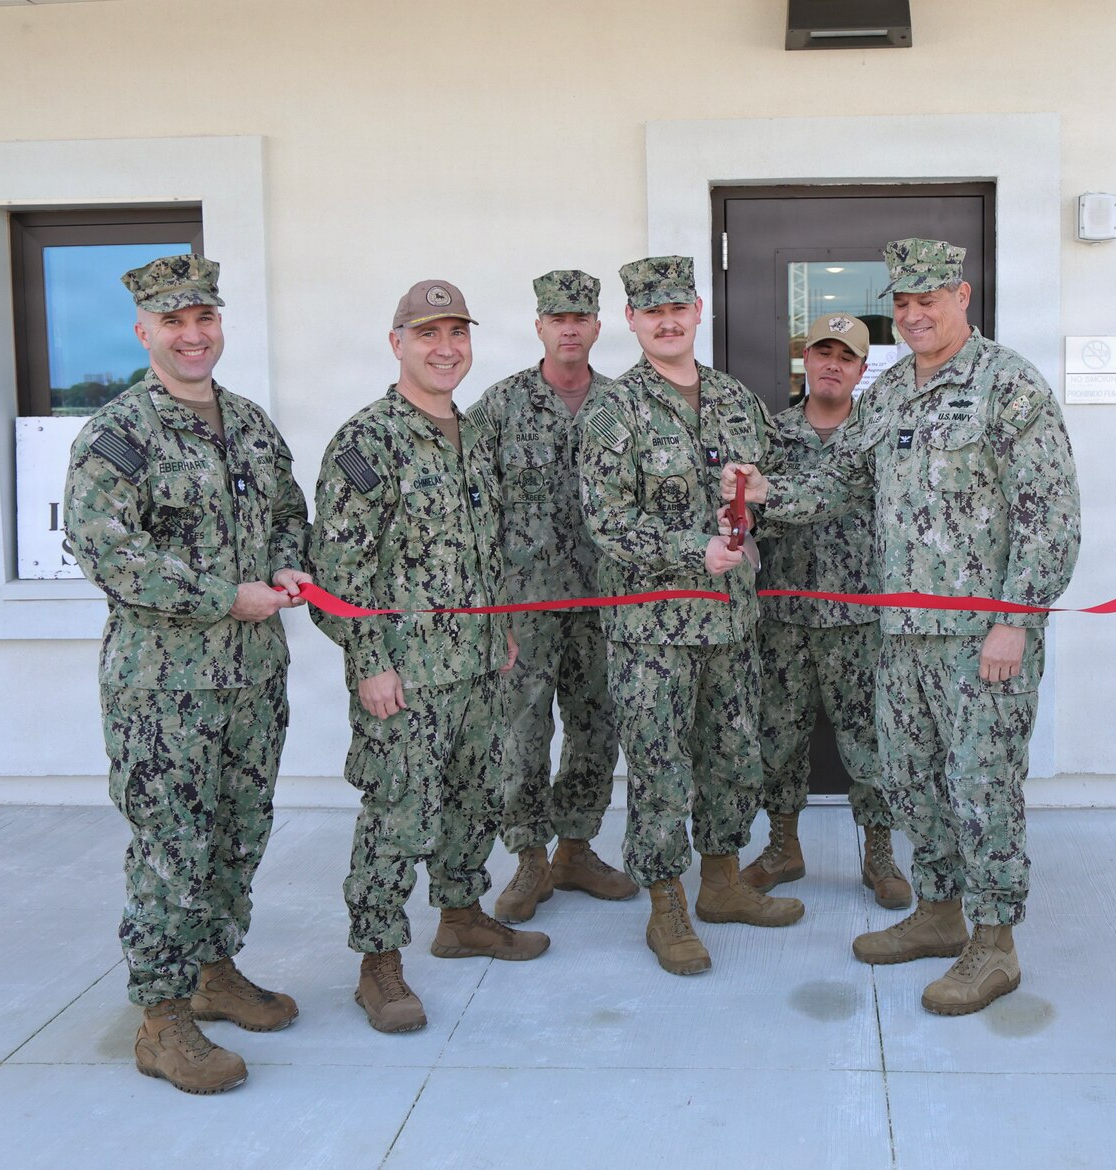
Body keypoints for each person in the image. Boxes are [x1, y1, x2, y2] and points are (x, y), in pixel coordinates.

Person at [723, 238, 1081, 1015]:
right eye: (904, 303)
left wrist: (1016, 620)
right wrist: (765, 492)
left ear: (961, 296)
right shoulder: (888, 394)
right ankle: (938, 912)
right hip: (900, 635)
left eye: (929, 299)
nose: (915, 315)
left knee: (981, 790)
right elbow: (836, 482)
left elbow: (1049, 514)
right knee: (913, 785)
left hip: (980, 640)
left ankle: (994, 942)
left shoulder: (1007, 385)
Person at [64, 254, 311, 1094]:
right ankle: (161, 1019)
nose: (192, 334)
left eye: (204, 317)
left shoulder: (248, 424)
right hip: (163, 689)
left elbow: (288, 513)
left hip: (252, 677)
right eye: (174, 321)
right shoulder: (119, 434)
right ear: (144, 332)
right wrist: (223, 596)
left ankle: (213, 971)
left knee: (239, 833)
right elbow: (106, 551)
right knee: (172, 846)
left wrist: (286, 567)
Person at [309, 279, 539, 1036]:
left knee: (476, 798)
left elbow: (484, 547)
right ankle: (377, 963)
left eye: (457, 333)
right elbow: (337, 574)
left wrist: (501, 626)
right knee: (398, 814)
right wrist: (369, 662)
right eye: (428, 334)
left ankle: (462, 916)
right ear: (397, 343)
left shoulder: (474, 435)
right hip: (406, 676)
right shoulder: (367, 441)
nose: (446, 349)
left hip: (477, 661)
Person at [576, 255, 802, 977]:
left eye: (678, 308)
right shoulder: (613, 411)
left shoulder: (736, 400)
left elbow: (766, 491)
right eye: (653, 311)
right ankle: (666, 903)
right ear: (631, 320)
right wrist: (689, 549)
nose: (667, 321)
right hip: (652, 632)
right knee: (660, 767)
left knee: (734, 757)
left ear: (699, 310)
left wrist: (755, 506)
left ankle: (723, 881)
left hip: (730, 623)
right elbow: (606, 521)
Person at [480, 270, 636, 922]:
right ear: (539, 326)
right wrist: (488, 608)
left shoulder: (624, 404)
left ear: (597, 326)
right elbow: (475, 510)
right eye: (557, 319)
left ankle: (575, 847)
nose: (569, 329)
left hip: (604, 603)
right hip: (525, 606)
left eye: (580, 318)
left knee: (596, 727)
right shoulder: (500, 406)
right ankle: (528, 856)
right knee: (521, 731)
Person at [740, 312, 911, 910]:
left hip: (860, 619)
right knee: (777, 738)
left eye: (846, 356)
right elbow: (748, 515)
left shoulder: (880, 435)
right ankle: (782, 847)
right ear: (805, 360)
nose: (832, 365)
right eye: (823, 353)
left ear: (863, 370)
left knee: (870, 740)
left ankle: (880, 854)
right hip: (783, 616)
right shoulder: (770, 436)